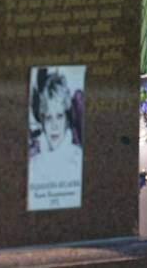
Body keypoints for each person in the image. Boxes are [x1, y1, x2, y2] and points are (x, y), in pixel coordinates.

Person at [28, 67, 83, 210]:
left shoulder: (79, 159)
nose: (54, 126)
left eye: (59, 116)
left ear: (67, 118)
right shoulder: (33, 164)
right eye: (48, 117)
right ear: (42, 120)